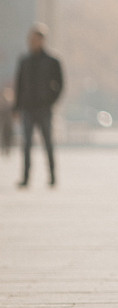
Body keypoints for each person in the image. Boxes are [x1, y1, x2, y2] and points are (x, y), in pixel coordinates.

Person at [14, 24, 64, 188]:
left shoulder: (52, 61)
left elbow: (60, 84)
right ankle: (25, 177)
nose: (32, 42)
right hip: (27, 108)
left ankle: (52, 176)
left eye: (35, 39)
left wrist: (50, 102)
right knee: (26, 144)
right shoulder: (24, 61)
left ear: (42, 40)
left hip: (44, 108)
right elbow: (19, 85)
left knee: (47, 143)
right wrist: (16, 108)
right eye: (30, 39)